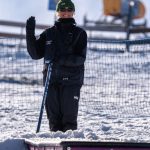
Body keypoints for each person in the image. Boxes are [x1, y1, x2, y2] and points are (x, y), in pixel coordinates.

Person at [26, 0, 87, 132]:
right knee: (54, 119)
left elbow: (80, 59)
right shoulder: (49, 33)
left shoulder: (80, 33)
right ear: (58, 12)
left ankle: (68, 143)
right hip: (51, 80)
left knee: (68, 119)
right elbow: (35, 54)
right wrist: (29, 33)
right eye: (62, 10)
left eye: (69, 10)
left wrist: (60, 60)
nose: (66, 13)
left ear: (73, 12)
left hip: (71, 81)